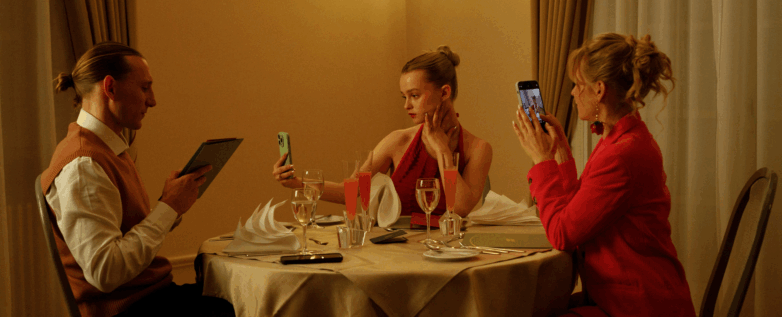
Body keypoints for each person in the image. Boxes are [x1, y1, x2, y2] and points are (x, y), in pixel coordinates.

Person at [40, 42, 234, 317]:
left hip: (147, 297)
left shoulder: (107, 149)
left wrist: (169, 204)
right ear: (110, 87)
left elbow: (121, 240)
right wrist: (169, 208)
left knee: (237, 296)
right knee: (241, 305)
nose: (152, 100)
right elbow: (105, 271)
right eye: (145, 88)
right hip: (130, 309)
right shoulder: (84, 164)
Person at [511, 33, 695, 317]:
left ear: (598, 90)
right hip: (627, 296)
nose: (572, 93)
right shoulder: (620, 138)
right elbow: (577, 213)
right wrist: (560, 150)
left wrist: (542, 160)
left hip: (639, 305)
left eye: (577, 85)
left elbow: (562, 234)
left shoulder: (622, 155)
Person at [272, 46, 492, 218]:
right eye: (403, 97)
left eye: (414, 95)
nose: (406, 105)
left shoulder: (479, 149)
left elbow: (461, 208)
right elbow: (349, 192)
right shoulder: (397, 141)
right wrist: (296, 183)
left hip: (450, 254)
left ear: (444, 92)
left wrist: (443, 150)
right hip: (398, 253)